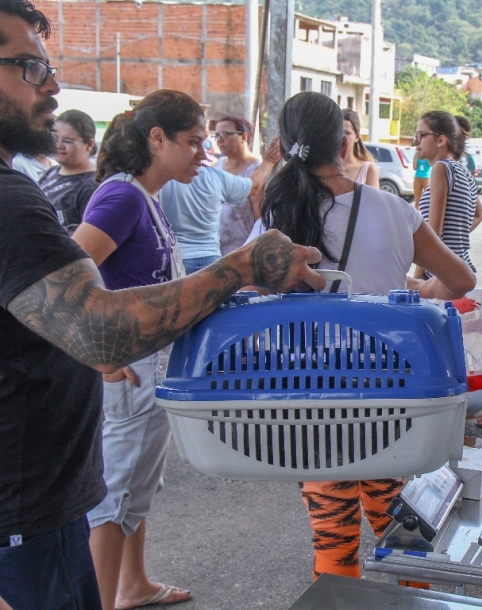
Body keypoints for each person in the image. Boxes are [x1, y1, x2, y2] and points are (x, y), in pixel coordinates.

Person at [0, 4, 325, 607]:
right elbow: (92, 321)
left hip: (39, 499)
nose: (52, 84)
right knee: (118, 499)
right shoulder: (35, 198)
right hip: (25, 512)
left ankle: (131, 583)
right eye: (28, 67)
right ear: (156, 139)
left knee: (130, 493)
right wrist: (241, 267)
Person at [248, 91, 475, 580]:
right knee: (399, 523)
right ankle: (414, 594)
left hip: (310, 396)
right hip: (389, 392)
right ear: (345, 140)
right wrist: (413, 288)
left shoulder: (276, 216)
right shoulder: (392, 209)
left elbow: (242, 286)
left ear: (285, 144)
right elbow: (461, 281)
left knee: (333, 533)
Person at [160, 135, 281, 273]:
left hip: (181, 260)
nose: (203, 154)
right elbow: (253, 185)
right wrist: (269, 162)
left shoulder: (159, 181)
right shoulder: (214, 176)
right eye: (194, 143)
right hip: (209, 261)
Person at [412, 110, 482, 279]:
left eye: (421, 135)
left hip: (439, 273)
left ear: (440, 140)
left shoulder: (441, 168)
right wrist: (457, 238)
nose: (416, 142)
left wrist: (416, 280)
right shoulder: (463, 171)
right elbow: (479, 214)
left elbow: (433, 234)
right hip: (460, 266)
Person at [212, 114, 266, 255]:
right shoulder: (216, 166)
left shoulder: (257, 171)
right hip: (213, 251)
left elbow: (259, 217)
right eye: (217, 135)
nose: (220, 140)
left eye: (226, 134)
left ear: (244, 137)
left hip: (241, 252)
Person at [38, 108, 98, 233]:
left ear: (89, 145)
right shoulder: (51, 172)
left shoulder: (92, 186)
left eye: (68, 141)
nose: (59, 145)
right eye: (55, 138)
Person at [340, 108, 379, 189]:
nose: (342, 137)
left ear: (357, 137)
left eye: (347, 133)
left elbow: (373, 200)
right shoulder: (328, 168)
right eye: (339, 132)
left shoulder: (368, 169)